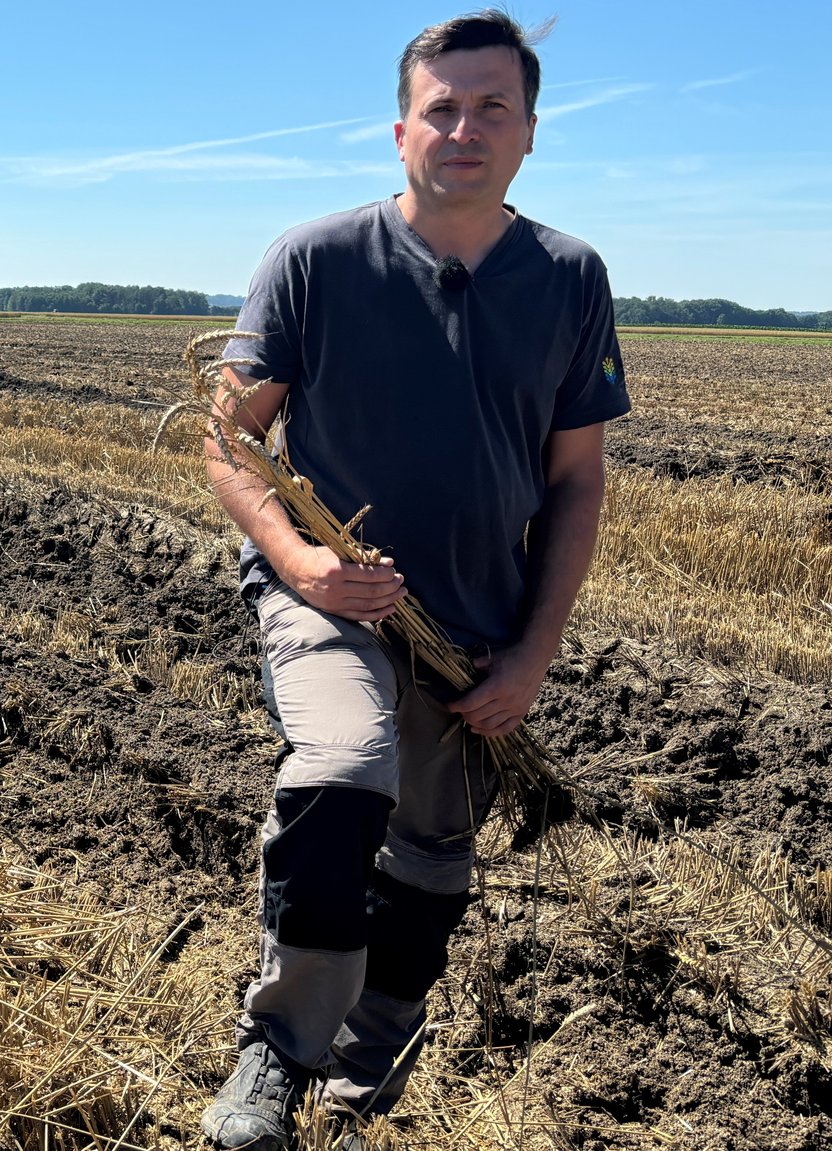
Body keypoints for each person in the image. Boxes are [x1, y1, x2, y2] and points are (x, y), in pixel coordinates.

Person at [198, 10, 630, 1149]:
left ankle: (377, 1028)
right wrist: (300, 562)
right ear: (399, 131)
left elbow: (575, 480)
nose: (462, 126)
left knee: (434, 847)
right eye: (440, 106)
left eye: (491, 106)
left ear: (529, 132)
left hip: (472, 627)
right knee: (342, 770)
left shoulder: (570, 277)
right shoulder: (314, 258)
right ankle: (278, 1052)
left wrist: (530, 653)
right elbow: (226, 440)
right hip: (328, 601)